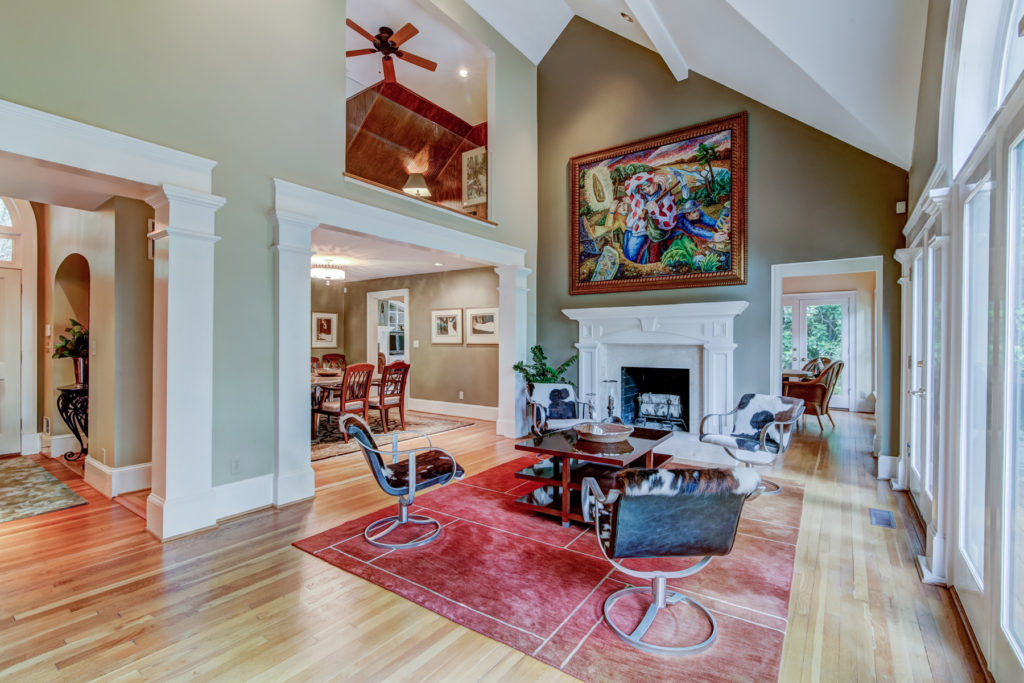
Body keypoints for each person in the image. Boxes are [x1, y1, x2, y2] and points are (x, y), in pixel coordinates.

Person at [623, 172, 676, 264]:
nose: (646, 190)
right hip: (631, 227)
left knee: (631, 255)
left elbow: (669, 222)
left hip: (643, 230)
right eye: (644, 188)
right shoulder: (639, 194)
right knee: (626, 253)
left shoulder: (666, 197)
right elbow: (628, 184)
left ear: (656, 183)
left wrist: (655, 212)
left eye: (648, 186)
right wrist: (652, 177)